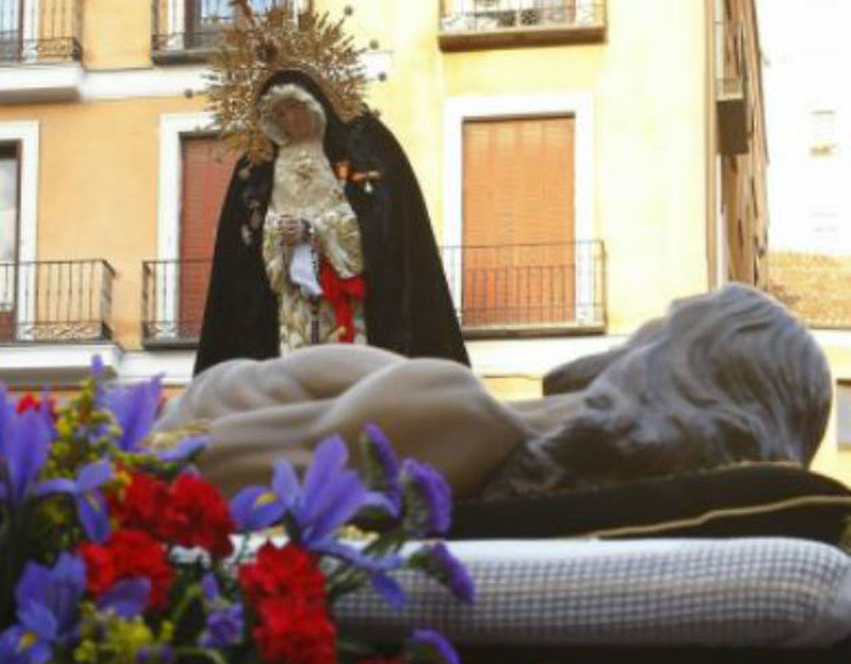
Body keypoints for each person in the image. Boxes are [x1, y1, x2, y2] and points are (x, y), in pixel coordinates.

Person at [159, 284, 831, 499]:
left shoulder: (458, 416)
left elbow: (171, 468)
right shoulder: (458, 406)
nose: (643, 328)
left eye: (668, 320)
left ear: (676, 365)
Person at [193, 68, 469, 373]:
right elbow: (254, 236)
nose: (290, 119)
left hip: (345, 303)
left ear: (314, 105)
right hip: (293, 308)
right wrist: (280, 235)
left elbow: (376, 222)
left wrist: (315, 230)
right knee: (297, 384)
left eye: (295, 107)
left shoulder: (354, 153)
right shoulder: (263, 168)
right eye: (281, 113)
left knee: (349, 382)